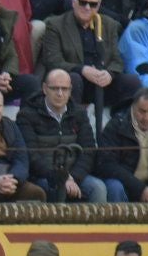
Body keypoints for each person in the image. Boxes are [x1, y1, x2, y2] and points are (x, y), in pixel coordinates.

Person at [17, 66, 114, 201]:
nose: (60, 93)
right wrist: (60, 178)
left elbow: (89, 151)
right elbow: (32, 155)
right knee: (49, 190)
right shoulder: (27, 115)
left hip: (74, 175)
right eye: (55, 88)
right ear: (45, 89)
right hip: (44, 176)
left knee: (98, 188)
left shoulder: (79, 114)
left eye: (64, 89)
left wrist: (73, 177)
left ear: (70, 91)